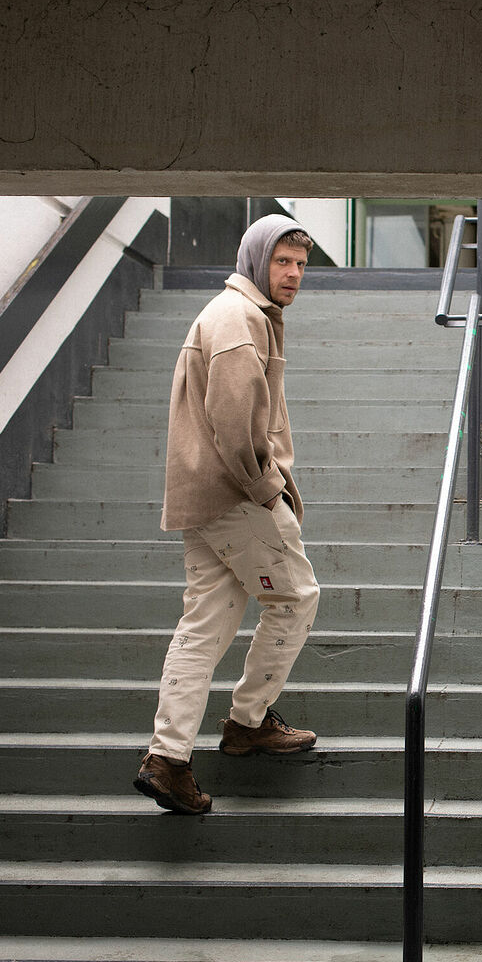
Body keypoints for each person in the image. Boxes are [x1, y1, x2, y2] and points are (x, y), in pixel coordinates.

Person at [133, 215, 322, 815]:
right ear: (256, 259)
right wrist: (269, 488)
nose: (292, 275)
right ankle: (248, 721)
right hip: (238, 499)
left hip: (204, 503)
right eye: (282, 262)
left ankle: (168, 760)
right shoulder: (241, 321)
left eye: (300, 264)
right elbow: (235, 425)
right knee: (296, 598)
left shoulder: (234, 314)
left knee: (203, 629)